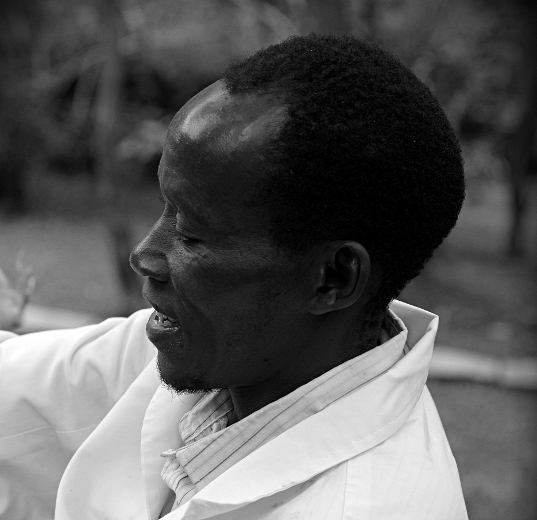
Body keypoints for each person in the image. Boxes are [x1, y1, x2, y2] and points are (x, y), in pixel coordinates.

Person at [0, 34, 468, 519]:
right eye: (167, 208)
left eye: (193, 235)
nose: (144, 256)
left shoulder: (369, 506)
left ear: (332, 278)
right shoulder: (218, 355)